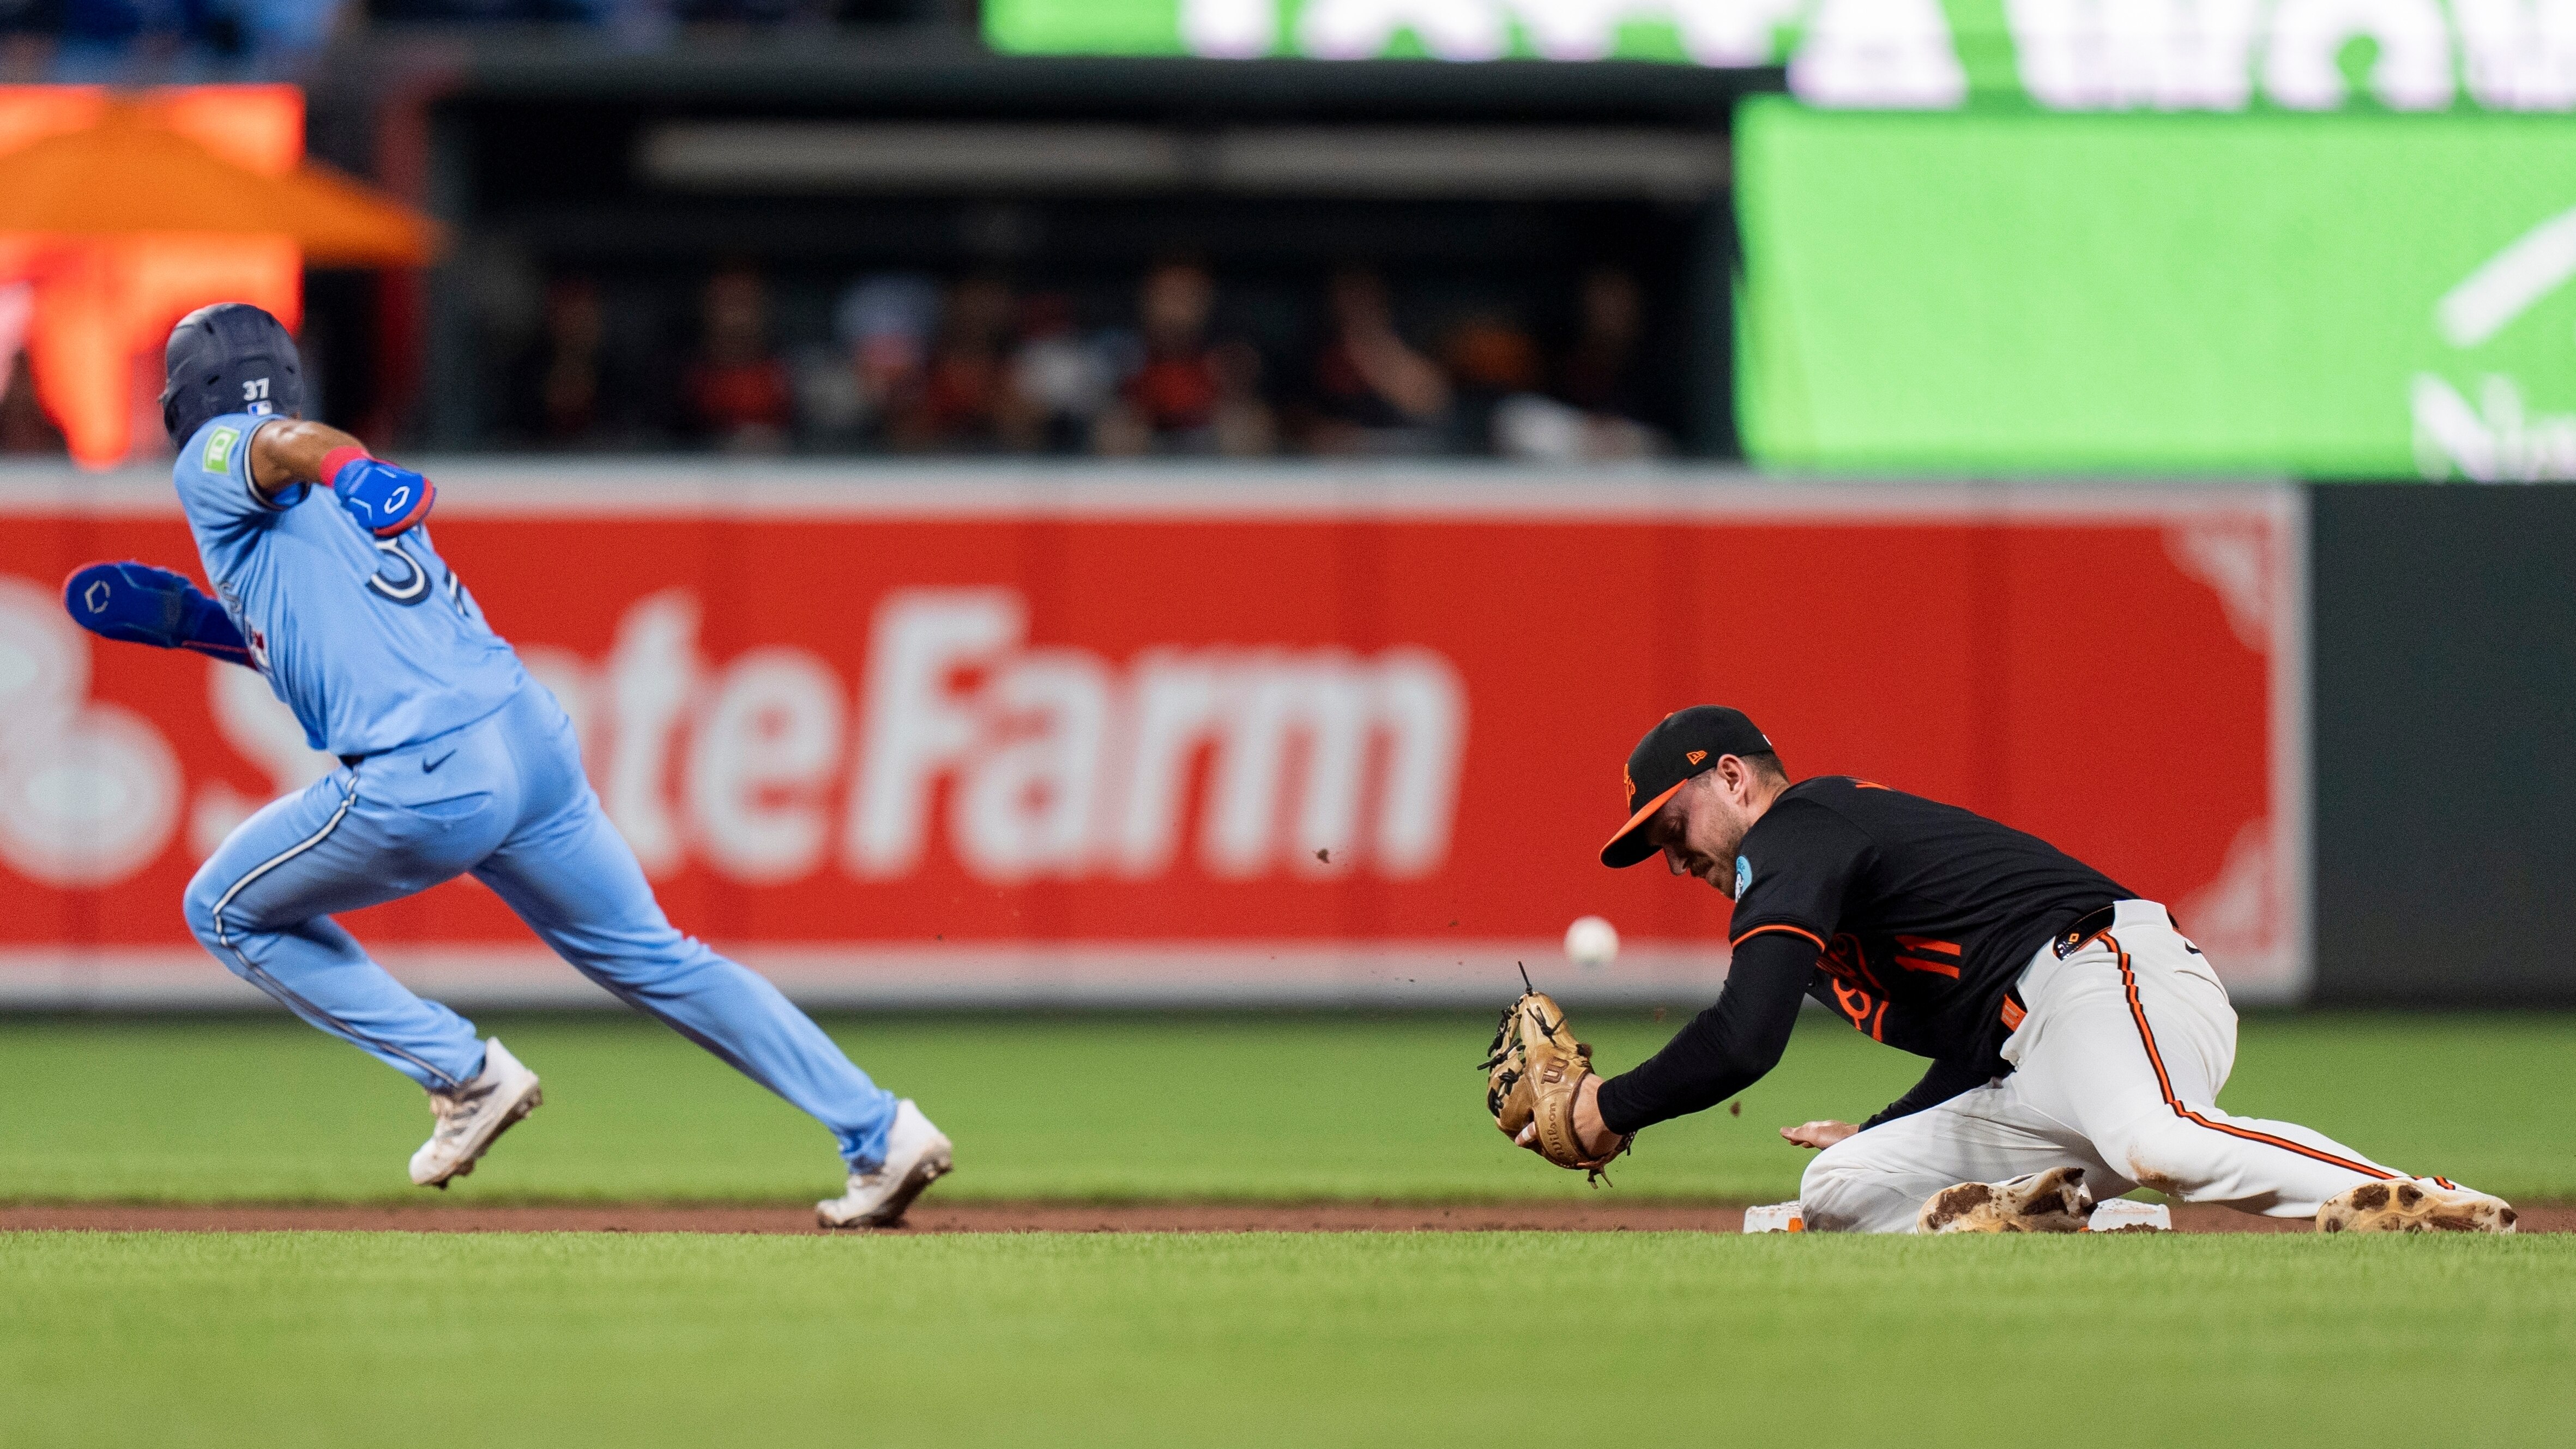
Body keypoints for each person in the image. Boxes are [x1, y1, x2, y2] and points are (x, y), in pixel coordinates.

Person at [59, 303, 950, 1229]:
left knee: (223, 907)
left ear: (186, 394)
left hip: (431, 772)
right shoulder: (320, 515)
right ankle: (880, 1130)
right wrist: (202, 625)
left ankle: (462, 1071)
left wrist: (353, 466)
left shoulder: (225, 454)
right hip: (529, 744)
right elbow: (329, 635)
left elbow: (284, 442)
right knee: (663, 959)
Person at [1539, 704, 2515, 1234]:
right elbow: (1971, 1040)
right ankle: (2067, 1218)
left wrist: (1605, 1107)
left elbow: (1742, 1040)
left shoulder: (1796, 835)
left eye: (1671, 826)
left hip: (2110, 973)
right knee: (1839, 1184)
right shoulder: (1813, 910)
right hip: (2032, 1053)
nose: (1671, 857)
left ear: (1733, 779)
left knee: (2155, 1142)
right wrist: (1893, 1127)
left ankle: (2420, 1199)